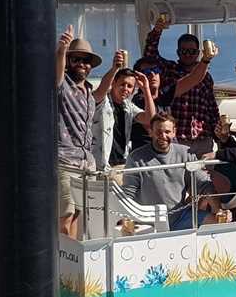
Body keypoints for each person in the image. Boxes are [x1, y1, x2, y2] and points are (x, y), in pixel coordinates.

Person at [56, 25, 110, 238]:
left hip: (87, 162)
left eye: (86, 61)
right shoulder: (61, 85)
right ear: (68, 62)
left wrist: (114, 69)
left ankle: (72, 264)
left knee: (78, 213)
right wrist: (61, 49)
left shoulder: (88, 91)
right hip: (64, 161)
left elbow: (101, 94)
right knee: (65, 216)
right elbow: (56, 74)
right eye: (76, 59)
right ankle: (61, 263)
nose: (82, 64)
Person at [121, 113, 213, 230]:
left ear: (174, 132)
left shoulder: (186, 153)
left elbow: (204, 183)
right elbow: (128, 194)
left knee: (215, 221)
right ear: (150, 132)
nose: (163, 136)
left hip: (181, 217)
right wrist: (127, 222)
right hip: (149, 222)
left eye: (167, 132)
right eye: (158, 132)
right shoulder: (135, 158)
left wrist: (217, 209)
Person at [142, 17, 220, 155]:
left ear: (198, 53)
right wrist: (157, 30)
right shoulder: (169, 70)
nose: (188, 55)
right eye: (184, 51)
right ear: (178, 53)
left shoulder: (207, 77)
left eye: (192, 51)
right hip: (177, 139)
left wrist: (220, 135)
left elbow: (211, 106)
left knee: (204, 176)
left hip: (202, 138)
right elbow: (150, 55)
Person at [129, 45, 218, 149]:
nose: (153, 75)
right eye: (147, 73)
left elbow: (193, 79)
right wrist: (145, 89)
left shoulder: (164, 95)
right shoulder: (138, 100)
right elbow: (151, 122)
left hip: (168, 153)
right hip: (147, 157)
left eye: (156, 70)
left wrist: (205, 60)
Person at [91, 68, 153, 173]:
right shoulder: (102, 101)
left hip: (120, 164)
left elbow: (150, 119)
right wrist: (115, 67)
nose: (125, 88)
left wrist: (146, 89)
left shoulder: (128, 106)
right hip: (99, 165)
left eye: (130, 86)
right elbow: (100, 91)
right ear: (113, 82)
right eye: (122, 84)